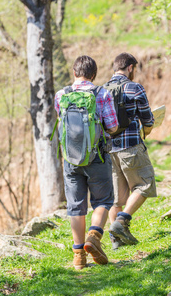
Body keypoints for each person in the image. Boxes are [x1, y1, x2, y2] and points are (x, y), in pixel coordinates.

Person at [54, 55, 118, 269]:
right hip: (97, 156)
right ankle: (94, 236)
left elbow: (62, 123)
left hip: (71, 159)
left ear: (74, 73)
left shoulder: (62, 94)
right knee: (103, 200)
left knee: (75, 206)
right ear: (94, 75)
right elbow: (112, 126)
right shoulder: (102, 93)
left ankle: (78, 257)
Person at [107, 52, 157, 250]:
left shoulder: (101, 90)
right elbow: (148, 119)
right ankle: (121, 222)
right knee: (145, 184)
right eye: (134, 69)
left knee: (116, 197)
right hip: (131, 147)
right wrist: (150, 125)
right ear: (130, 68)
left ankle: (116, 241)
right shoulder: (134, 87)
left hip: (109, 151)